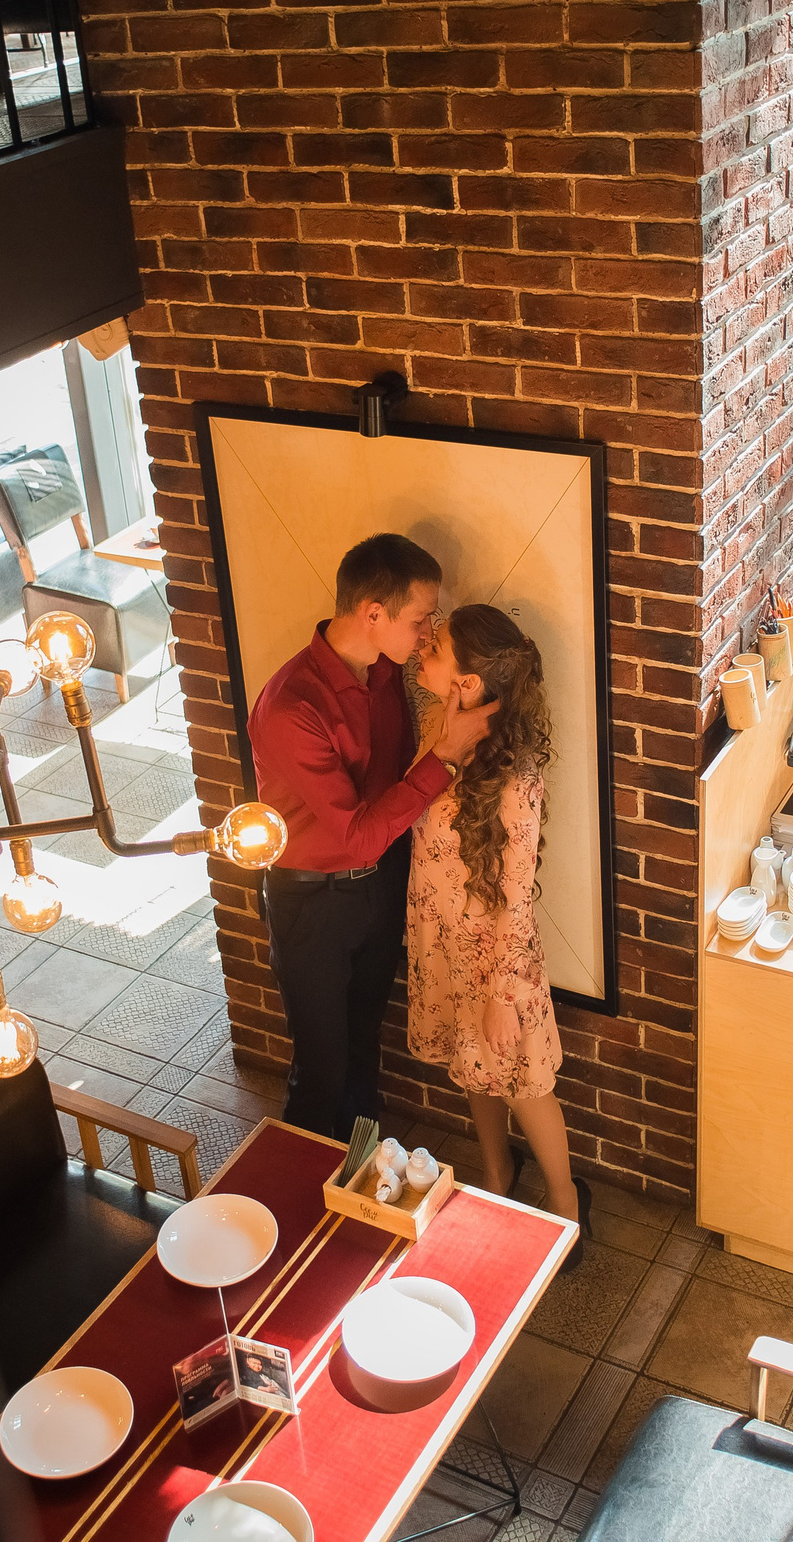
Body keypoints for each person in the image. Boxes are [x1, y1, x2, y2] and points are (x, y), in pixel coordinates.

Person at [249, 533, 497, 1139]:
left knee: (364, 1048)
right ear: (374, 614)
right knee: (322, 1070)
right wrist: (445, 757)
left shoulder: (386, 672)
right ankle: (306, 1185)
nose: (428, 634)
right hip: (312, 901)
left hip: (381, 885)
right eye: (420, 619)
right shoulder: (291, 707)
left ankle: (362, 1175)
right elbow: (359, 834)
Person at [403, 604, 587, 1257]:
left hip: (496, 956)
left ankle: (567, 1208)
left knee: (525, 1084)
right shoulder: (436, 720)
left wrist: (504, 991)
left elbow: (515, 897)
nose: (423, 647)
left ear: (469, 681)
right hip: (442, 940)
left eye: (437, 646)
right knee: (471, 1065)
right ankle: (497, 1171)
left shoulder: (516, 774)